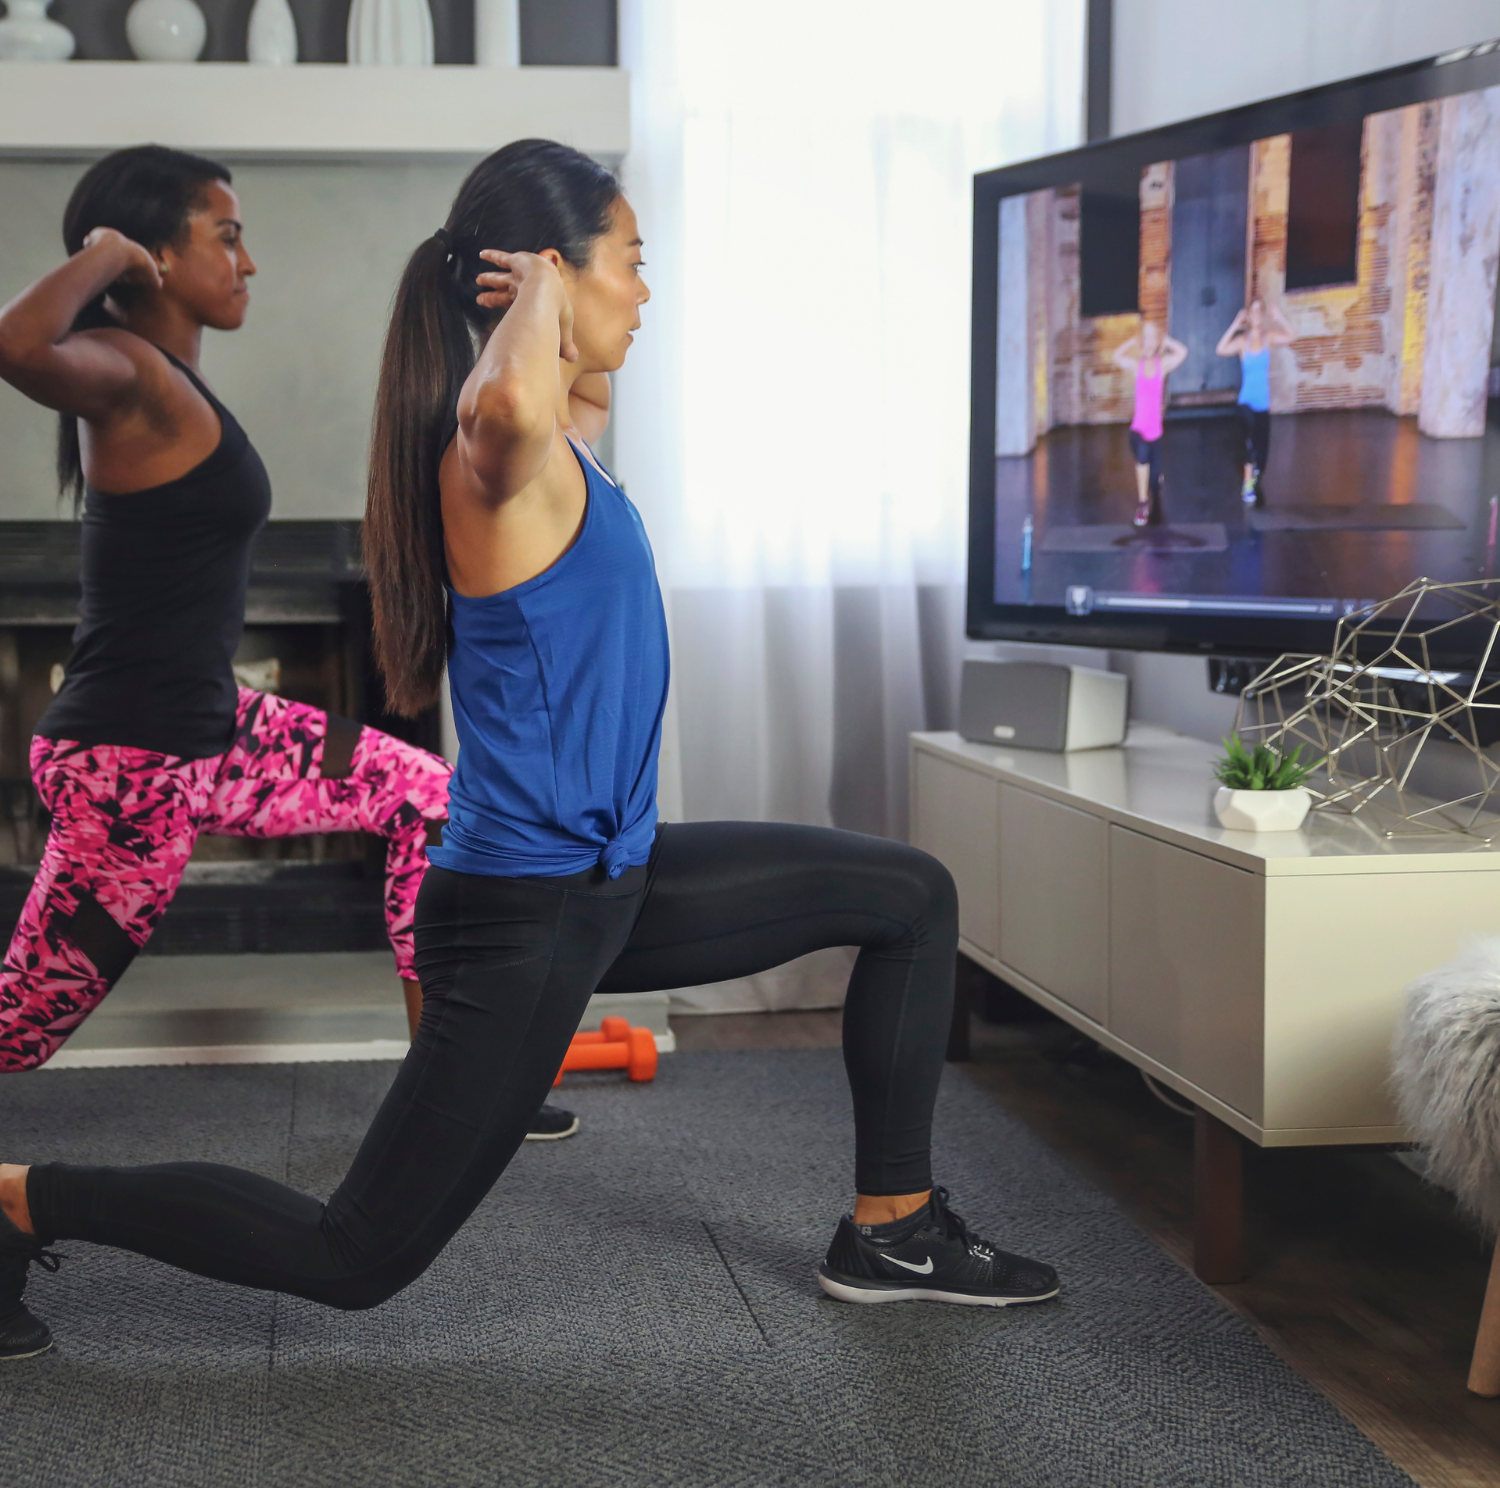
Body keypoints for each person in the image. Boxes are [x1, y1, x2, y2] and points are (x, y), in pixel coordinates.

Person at [0, 138, 1059, 1362]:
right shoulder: (491, 462)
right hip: (522, 915)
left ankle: (894, 1230)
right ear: (556, 273)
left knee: (909, 897)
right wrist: (547, 289)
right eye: (632, 264)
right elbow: (500, 399)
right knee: (350, 1260)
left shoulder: (568, 437)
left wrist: (551, 303)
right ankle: (22, 1196)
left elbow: (546, 387)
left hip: (614, 881)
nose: (647, 293)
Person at [0, 149, 576, 1133]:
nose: (248, 261)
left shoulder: (160, 377)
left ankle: (446, 1096)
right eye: (225, 236)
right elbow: (14, 343)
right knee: (16, 1030)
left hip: (213, 731)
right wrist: (105, 252)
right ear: (157, 256)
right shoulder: (131, 375)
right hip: (131, 768)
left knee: (429, 797)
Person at [1215, 297, 1293, 506]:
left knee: (1261, 452)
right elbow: (1220, 349)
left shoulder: (1268, 338)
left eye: (1260, 311)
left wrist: (1280, 318)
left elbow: (1290, 336)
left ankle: (1255, 475)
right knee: (1248, 443)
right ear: (1248, 316)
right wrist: (1235, 324)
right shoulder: (1243, 341)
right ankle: (1247, 485)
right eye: (1253, 311)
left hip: (1263, 402)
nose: (1257, 315)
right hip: (1246, 401)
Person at [1112, 320, 1187, 528]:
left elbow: (1182, 352)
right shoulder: (1137, 366)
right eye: (1145, 337)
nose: (1149, 341)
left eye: (1153, 337)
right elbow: (1116, 356)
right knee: (1142, 454)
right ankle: (1143, 505)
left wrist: (1165, 340)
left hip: (1156, 433)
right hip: (1137, 431)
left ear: (1157, 342)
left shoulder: (1162, 365)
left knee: (1154, 481)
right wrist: (1131, 341)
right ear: (1141, 341)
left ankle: (1155, 484)